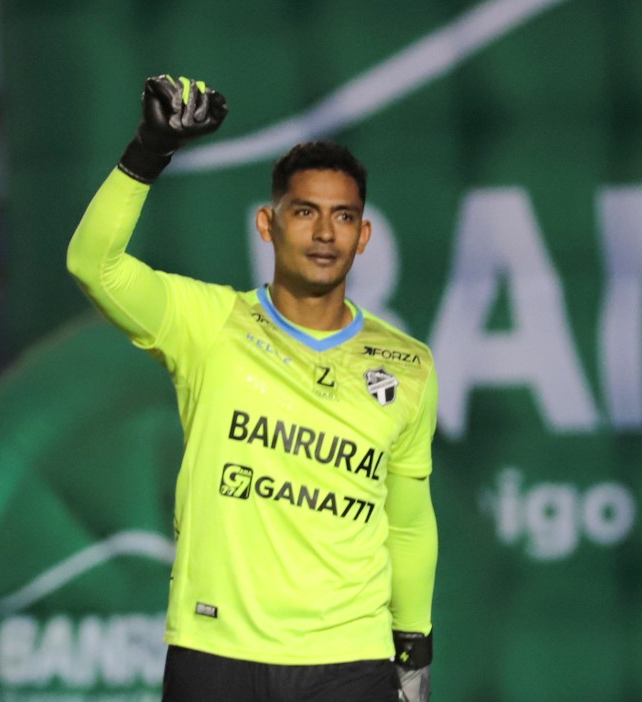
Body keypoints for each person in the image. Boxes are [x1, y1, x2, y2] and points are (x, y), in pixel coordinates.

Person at [67, 75, 438, 702]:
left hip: (351, 660)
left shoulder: (408, 365)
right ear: (268, 225)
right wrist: (147, 154)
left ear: (363, 236)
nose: (325, 234)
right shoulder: (209, 324)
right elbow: (91, 264)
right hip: (218, 653)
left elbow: (407, 521)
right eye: (305, 213)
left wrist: (414, 646)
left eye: (343, 217)